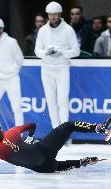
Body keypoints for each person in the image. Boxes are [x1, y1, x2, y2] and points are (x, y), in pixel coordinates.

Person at [0, 116, 111, 174]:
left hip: (42, 168)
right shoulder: (12, 132)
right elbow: (32, 125)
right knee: (68, 125)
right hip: (44, 149)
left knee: (55, 166)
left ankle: (81, 162)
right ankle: (99, 128)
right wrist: (30, 137)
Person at [34, 1, 80, 129]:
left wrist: (61, 52)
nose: (53, 17)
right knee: (51, 100)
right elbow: (37, 51)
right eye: (50, 14)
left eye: (55, 14)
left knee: (63, 100)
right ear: (47, 15)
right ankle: (56, 130)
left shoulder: (68, 30)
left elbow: (75, 50)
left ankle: (64, 130)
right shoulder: (43, 30)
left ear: (59, 14)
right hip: (47, 68)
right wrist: (46, 53)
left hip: (62, 68)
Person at [0, 17, 24, 130]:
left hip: (12, 78)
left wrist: (13, 71)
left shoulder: (11, 42)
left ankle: (19, 135)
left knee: (16, 108)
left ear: (1, 29)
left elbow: (19, 59)